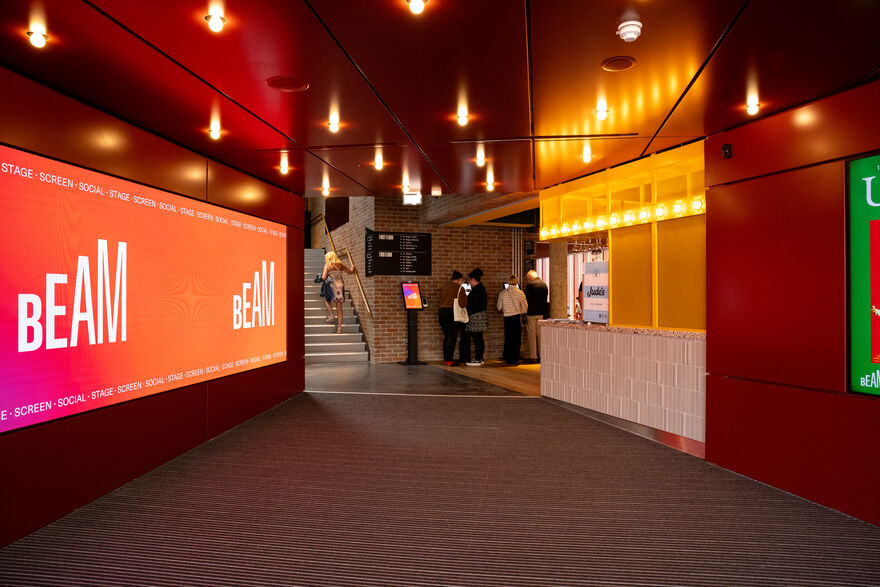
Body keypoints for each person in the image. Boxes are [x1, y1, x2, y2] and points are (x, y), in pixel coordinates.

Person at [437, 270, 468, 366]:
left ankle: (446, 359)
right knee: (452, 337)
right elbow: (463, 304)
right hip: (452, 313)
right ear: (459, 279)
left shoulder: (445, 287)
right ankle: (449, 360)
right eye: (461, 280)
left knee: (446, 336)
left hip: (442, 312)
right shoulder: (460, 288)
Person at [321, 251, 356, 334]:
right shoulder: (340, 265)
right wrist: (353, 267)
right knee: (339, 309)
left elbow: (323, 277)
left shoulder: (327, 265)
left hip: (331, 286)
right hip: (339, 287)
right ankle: (339, 328)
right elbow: (350, 271)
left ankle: (332, 315)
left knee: (327, 300)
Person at [497, 274, 527, 365]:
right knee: (517, 339)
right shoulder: (520, 293)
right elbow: (525, 307)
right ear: (516, 282)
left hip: (507, 317)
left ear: (508, 282)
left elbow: (499, 307)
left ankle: (508, 357)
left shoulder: (503, 293)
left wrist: (505, 310)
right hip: (517, 317)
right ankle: (515, 358)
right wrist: (520, 311)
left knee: (508, 337)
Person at [460, 268, 488, 367]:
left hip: (476, 316)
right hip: (481, 315)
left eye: (470, 280)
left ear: (473, 279)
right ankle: (480, 357)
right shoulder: (481, 288)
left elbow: (470, 304)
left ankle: (478, 358)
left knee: (477, 338)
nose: (470, 282)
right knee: (479, 338)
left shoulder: (476, 290)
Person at [524, 270, 549, 363]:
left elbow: (526, 300)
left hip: (531, 313)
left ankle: (533, 356)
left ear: (530, 278)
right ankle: (542, 355)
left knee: (532, 335)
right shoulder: (544, 285)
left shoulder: (529, 286)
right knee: (540, 335)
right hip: (541, 313)